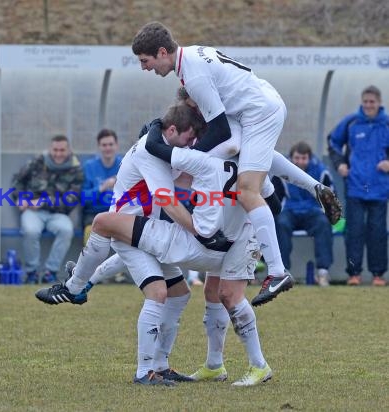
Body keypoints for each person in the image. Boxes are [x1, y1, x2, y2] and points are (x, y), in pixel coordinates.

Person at [38, 104, 273, 386]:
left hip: (148, 229)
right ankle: (142, 370)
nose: (191, 146)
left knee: (179, 295)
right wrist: (201, 233)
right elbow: (168, 202)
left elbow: (186, 177)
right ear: (172, 130)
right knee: (157, 290)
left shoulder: (166, 146)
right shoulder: (150, 152)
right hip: (128, 226)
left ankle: (160, 365)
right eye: (188, 139)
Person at [132, 26, 341, 305]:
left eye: (145, 61)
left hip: (258, 112)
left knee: (246, 190)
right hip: (257, 104)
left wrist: (185, 160)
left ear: (161, 52)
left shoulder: (192, 75)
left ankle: (277, 271)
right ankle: (314, 188)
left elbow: (220, 133)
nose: (144, 68)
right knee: (252, 165)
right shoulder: (193, 54)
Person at [328, 85, 389, 286]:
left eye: (372, 102)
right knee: (354, 232)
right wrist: (340, 164)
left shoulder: (386, 123)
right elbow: (333, 142)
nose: (369, 105)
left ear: (379, 103)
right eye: (366, 102)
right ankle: (354, 274)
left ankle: (378, 275)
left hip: (380, 188)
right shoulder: (351, 122)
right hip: (355, 186)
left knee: (378, 232)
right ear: (361, 102)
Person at [11, 135, 84, 284]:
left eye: (62, 150)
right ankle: (31, 272)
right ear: (50, 149)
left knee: (66, 230)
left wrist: (44, 202)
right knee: (31, 230)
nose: (58, 153)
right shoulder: (37, 162)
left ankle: (50, 272)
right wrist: (20, 198)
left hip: (58, 213)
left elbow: (70, 202)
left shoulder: (76, 169)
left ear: (68, 150)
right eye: (55, 150)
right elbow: (17, 181)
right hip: (33, 211)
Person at [274, 142, 334, 287]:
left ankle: (323, 272)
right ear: (291, 157)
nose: (300, 161)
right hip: (289, 210)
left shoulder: (321, 171)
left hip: (312, 211)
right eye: (297, 158)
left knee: (323, 224)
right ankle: (282, 273)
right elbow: (274, 197)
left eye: (303, 158)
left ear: (309, 158)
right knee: (280, 223)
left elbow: (330, 197)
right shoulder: (281, 170)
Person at [81, 128, 122, 244]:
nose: (108, 148)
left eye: (111, 144)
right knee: (90, 235)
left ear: (116, 145)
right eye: (104, 145)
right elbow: (84, 198)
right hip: (94, 214)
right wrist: (102, 188)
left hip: (118, 213)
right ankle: (90, 262)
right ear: (99, 147)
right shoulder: (89, 166)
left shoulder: (124, 165)